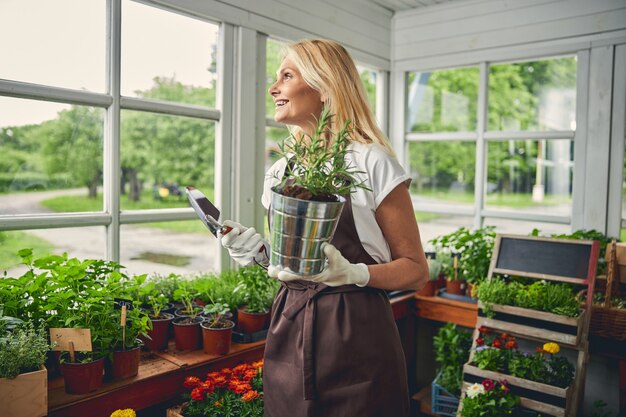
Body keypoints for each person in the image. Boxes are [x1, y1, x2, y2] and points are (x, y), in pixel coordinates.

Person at [219, 38, 428, 417]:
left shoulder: (371, 162)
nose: (273, 88)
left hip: (357, 332)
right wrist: (258, 253)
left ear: (325, 87)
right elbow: (294, 265)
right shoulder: (280, 172)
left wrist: (354, 273)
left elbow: (416, 270)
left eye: (287, 75)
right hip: (290, 327)